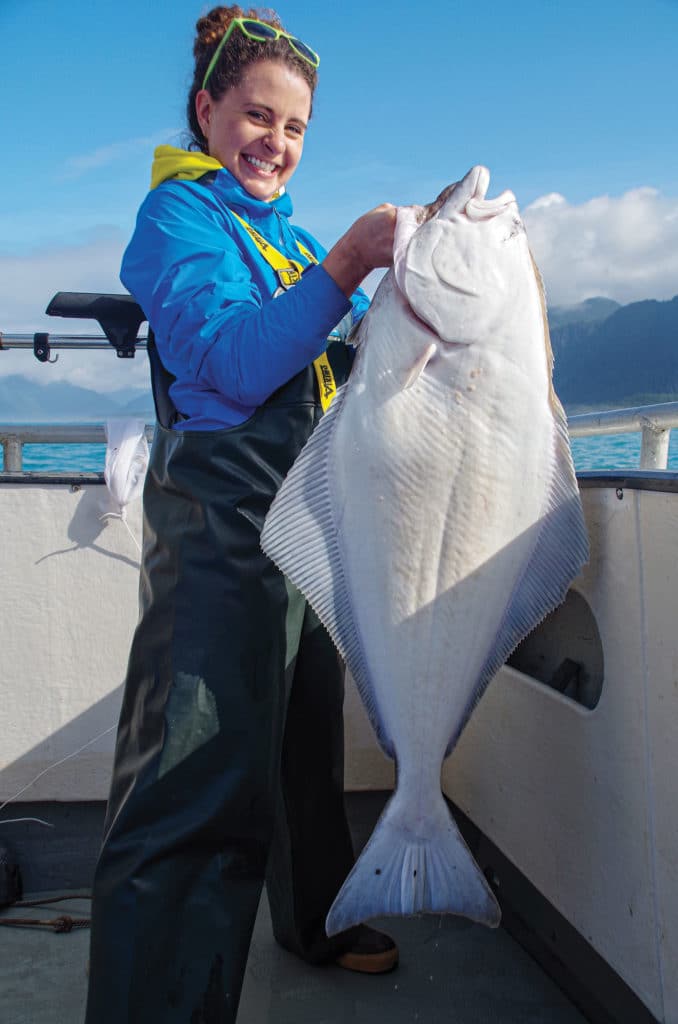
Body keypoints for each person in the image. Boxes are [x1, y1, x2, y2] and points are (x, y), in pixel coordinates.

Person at [84, 6, 398, 1023]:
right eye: (257, 117)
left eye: (295, 128)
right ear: (207, 108)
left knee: (307, 742)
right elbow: (225, 360)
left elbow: (334, 356)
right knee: (193, 783)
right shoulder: (179, 218)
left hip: (303, 535)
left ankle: (315, 918)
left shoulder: (290, 239)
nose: (276, 142)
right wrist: (346, 268)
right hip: (218, 546)